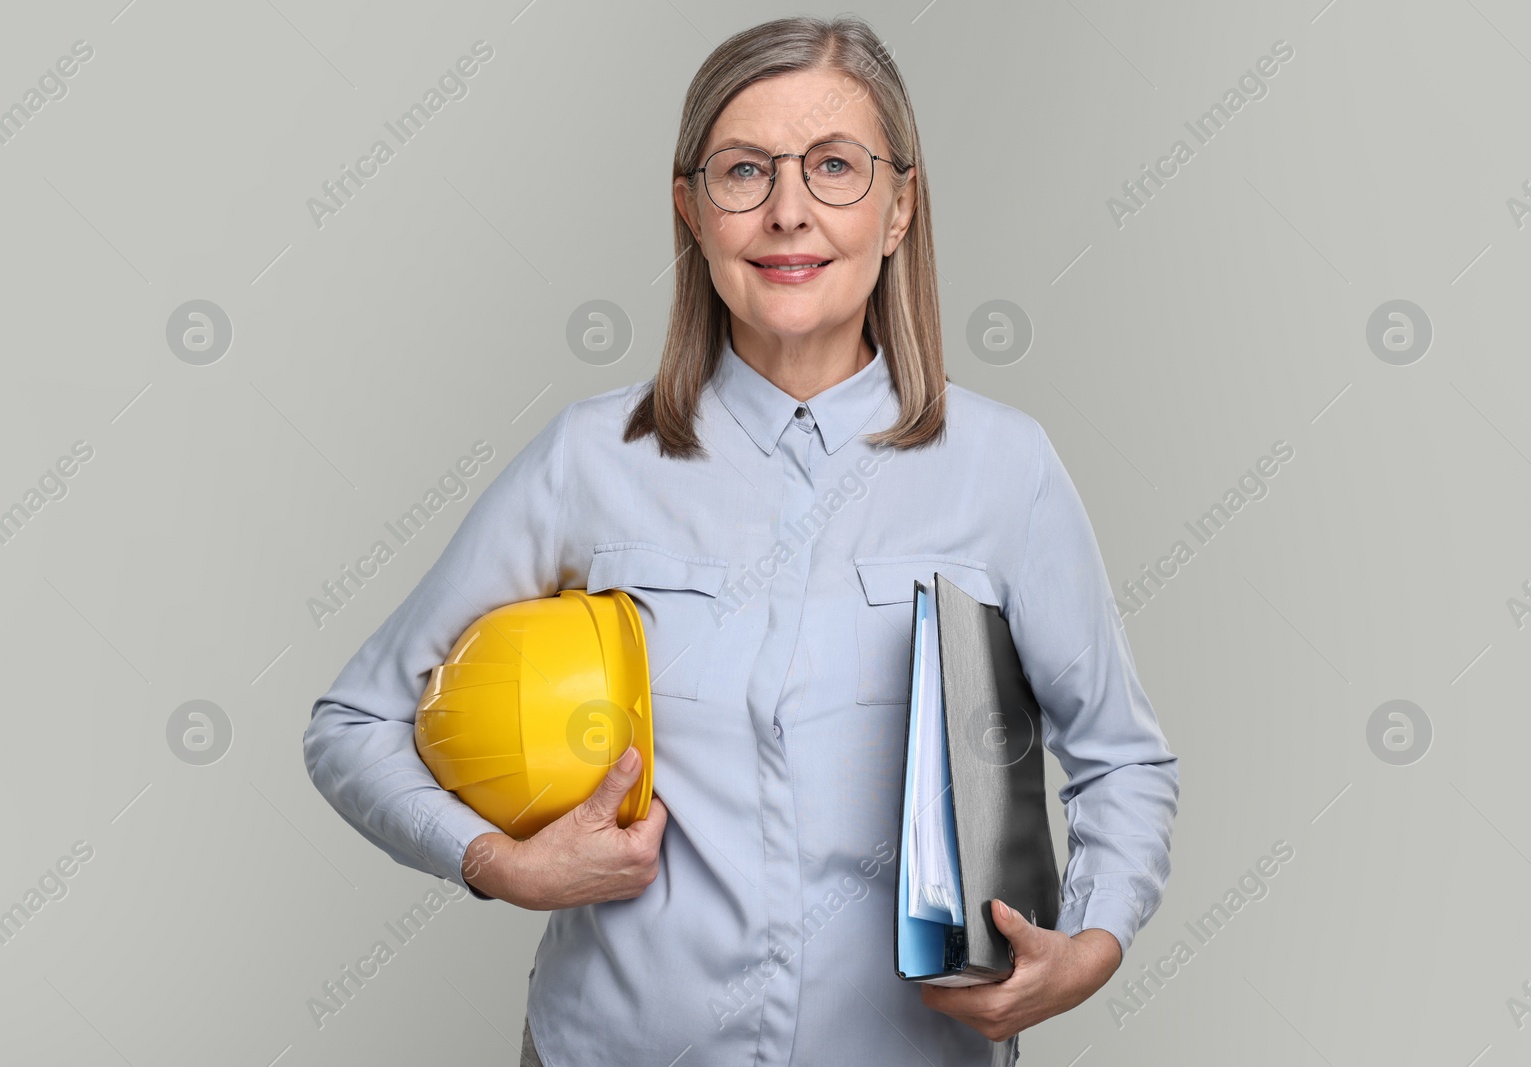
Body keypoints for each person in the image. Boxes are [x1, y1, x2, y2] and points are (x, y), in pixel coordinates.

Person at [302, 15, 1179, 1067]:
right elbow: (354, 721)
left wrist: (1091, 943)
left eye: (834, 167)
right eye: (743, 171)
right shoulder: (590, 458)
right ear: (690, 210)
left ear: (901, 206)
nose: (788, 211)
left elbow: (1121, 759)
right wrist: (499, 862)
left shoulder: (1005, 467)